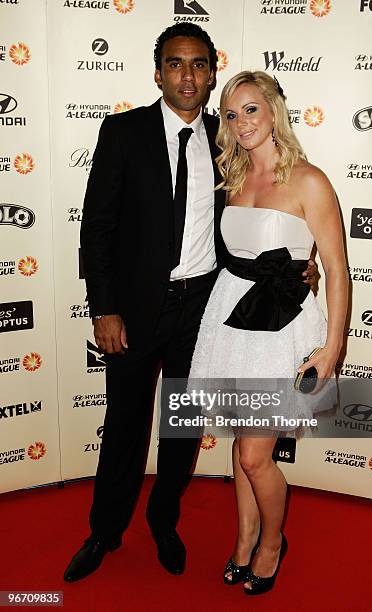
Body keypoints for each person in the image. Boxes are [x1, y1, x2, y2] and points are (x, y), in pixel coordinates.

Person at [64, 23, 315, 583]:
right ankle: (105, 531)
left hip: (201, 311)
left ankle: (163, 524)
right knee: (125, 423)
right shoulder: (122, 133)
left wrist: (301, 262)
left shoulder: (227, 142)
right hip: (130, 311)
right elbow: (97, 229)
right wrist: (103, 307)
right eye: (176, 64)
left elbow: (259, 218)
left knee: (179, 428)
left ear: (211, 73)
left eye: (199, 64)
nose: (187, 74)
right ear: (158, 73)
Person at [188, 71, 348, 595]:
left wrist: (332, 347)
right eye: (231, 115)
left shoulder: (309, 180)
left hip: (283, 328)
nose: (241, 123)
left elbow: (336, 268)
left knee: (257, 455)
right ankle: (243, 539)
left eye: (251, 110)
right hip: (230, 321)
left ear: (274, 110)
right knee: (240, 445)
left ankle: (273, 543)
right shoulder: (229, 178)